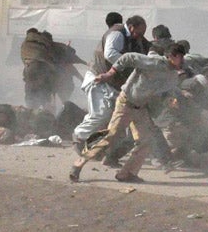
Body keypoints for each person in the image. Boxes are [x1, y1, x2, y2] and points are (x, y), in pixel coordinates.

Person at [69, 41, 187, 183]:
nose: (183, 61)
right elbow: (128, 57)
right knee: (111, 134)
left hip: (140, 107)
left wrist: (170, 101)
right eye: (181, 57)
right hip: (126, 103)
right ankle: (80, 162)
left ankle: (126, 173)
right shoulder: (153, 62)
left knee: (146, 141)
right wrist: (110, 73)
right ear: (171, 56)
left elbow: (165, 93)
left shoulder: (172, 76)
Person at [72, 12, 126, 150]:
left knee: (110, 115)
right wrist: (128, 63)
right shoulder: (116, 35)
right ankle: (80, 137)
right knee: (100, 114)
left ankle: (103, 146)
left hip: (103, 81)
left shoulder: (113, 35)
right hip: (97, 80)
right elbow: (111, 55)